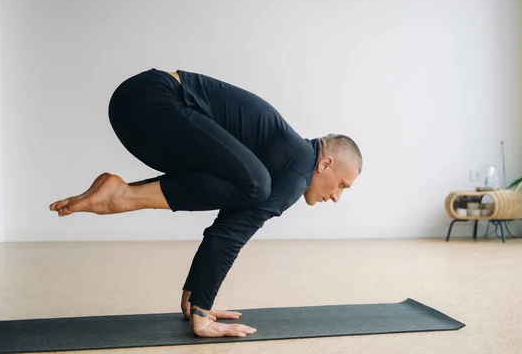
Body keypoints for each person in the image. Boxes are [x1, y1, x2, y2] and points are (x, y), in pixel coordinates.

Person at [48, 68, 362, 338]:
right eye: (342, 185)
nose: (336, 196)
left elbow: (227, 225)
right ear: (325, 164)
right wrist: (201, 312)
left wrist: (195, 297)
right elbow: (233, 234)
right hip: (153, 101)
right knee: (256, 184)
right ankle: (124, 196)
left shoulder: (285, 156)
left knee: (252, 185)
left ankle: (122, 193)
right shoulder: (297, 171)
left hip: (134, 108)